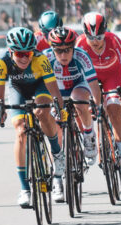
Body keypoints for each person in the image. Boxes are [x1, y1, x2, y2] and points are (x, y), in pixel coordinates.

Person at [0, 27, 66, 207]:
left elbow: (54, 90)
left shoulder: (41, 60)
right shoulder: (1, 62)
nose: (25, 57)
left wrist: (60, 108)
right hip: (17, 88)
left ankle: (57, 153)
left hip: (39, 86)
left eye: (28, 53)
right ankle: (25, 189)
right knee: (20, 129)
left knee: (42, 111)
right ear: (11, 51)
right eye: (20, 53)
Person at [77, 12, 121, 185]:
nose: (95, 41)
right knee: (84, 106)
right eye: (91, 37)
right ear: (85, 34)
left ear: (106, 32)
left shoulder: (114, 41)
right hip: (90, 79)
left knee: (114, 110)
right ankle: (91, 140)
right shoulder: (80, 44)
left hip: (113, 76)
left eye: (99, 36)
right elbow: (77, 76)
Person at [44, 26, 102, 202]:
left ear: (73, 47)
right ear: (52, 49)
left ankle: (88, 135)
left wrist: (96, 105)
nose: (63, 55)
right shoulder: (45, 58)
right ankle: (57, 179)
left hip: (78, 85)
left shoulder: (81, 55)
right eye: (59, 51)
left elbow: (93, 84)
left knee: (79, 101)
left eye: (67, 50)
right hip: (57, 92)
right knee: (57, 130)